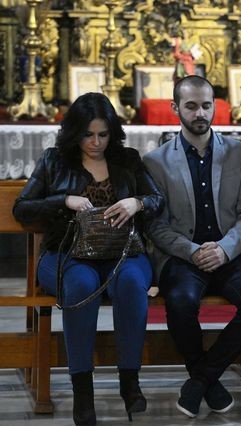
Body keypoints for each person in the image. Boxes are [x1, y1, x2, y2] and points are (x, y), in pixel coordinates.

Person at [12, 92, 164, 426]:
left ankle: (130, 383)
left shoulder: (127, 159)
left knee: (131, 282)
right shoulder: (55, 160)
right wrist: (63, 200)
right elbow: (21, 208)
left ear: (112, 132)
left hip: (122, 251)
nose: (96, 142)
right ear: (74, 132)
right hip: (65, 253)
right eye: (88, 134)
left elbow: (157, 200)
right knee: (81, 284)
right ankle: (83, 393)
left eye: (103, 134)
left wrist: (137, 203)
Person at [142, 75, 241, 418]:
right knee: (180, 301)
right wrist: (192, 250)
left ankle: (200, 380)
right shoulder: (155, 161)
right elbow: (155, 224)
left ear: (215, 106)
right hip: (183, 256)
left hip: (230, 253)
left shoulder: (239, 153)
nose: (200, 113)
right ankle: (208, 381)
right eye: (191, 106)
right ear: (175, 108)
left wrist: (225, 249)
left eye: (206, 105)